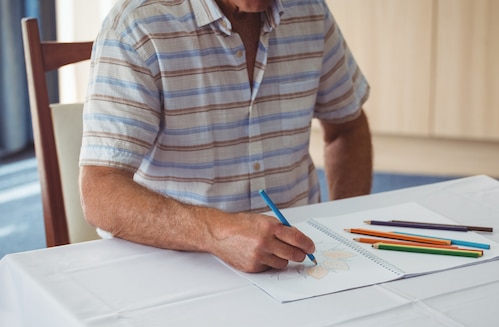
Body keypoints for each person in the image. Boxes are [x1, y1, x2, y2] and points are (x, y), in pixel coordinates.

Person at [79, 0, 372, 273]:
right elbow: (99, 192)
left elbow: (347, 128)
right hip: (174, 264)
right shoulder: (137, 26)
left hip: (299, 262)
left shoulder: (310, 10)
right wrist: (216, 233)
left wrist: (342, 225)